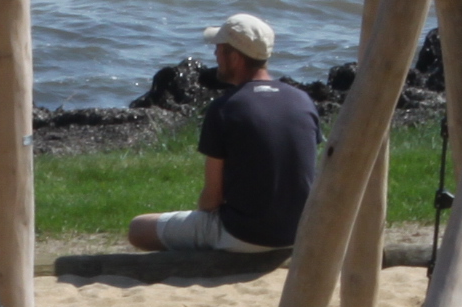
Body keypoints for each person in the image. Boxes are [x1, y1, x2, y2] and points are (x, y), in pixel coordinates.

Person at [125, 14, 318, 254]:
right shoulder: (302, 100)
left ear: (234, 57)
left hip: (243, 235)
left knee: (138, 228)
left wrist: (204, 218)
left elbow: (212, 198)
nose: (215, 56)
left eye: (218, 49)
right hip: (298, 231)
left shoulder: (225, 108)